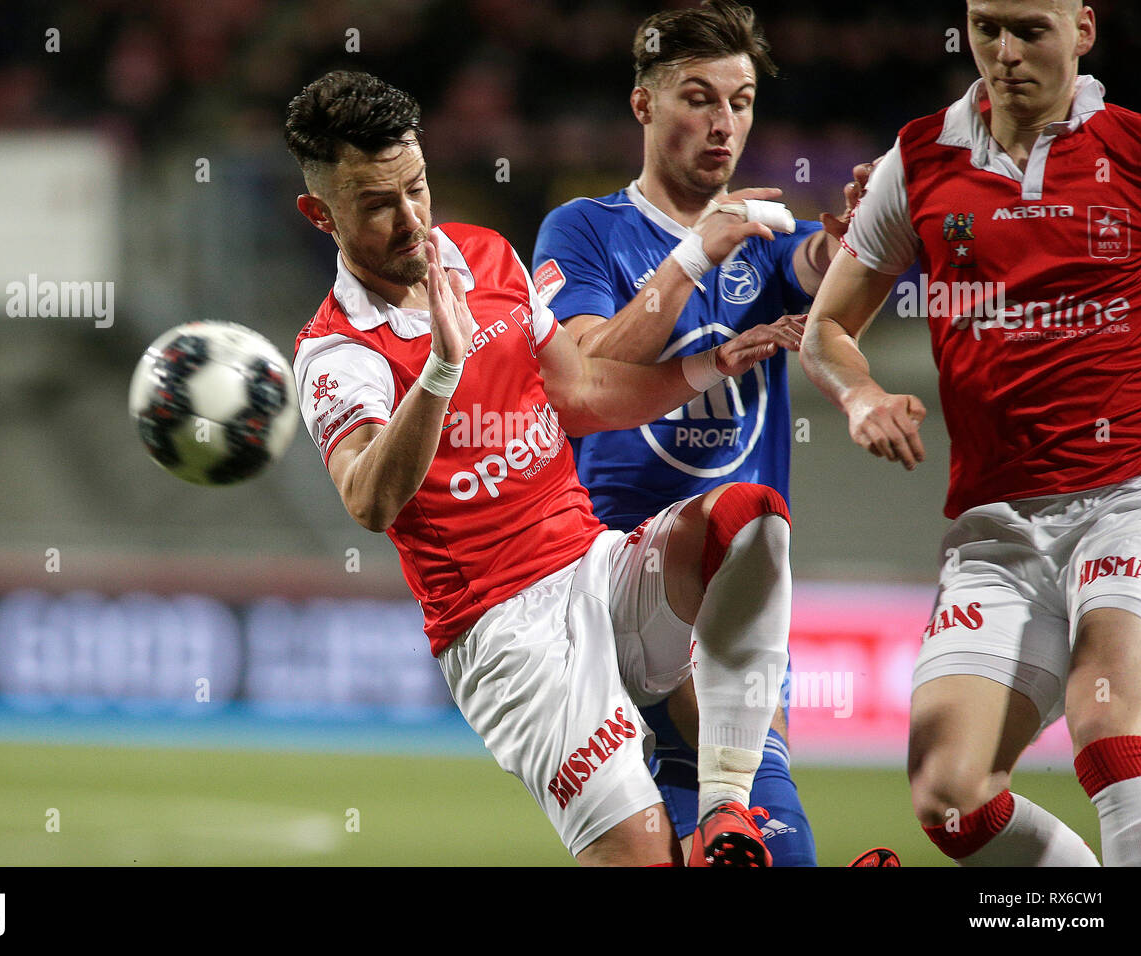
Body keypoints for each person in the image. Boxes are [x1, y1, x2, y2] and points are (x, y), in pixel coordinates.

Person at [287, 69, 803, 865]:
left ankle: (727, 809)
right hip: (503, 632)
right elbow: (370, 499)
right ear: (319, 214)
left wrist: (710, 366)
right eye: (377, 204)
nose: (411, 220)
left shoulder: (486, 258)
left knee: (748, 522)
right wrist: (440, 371)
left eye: (417, 187)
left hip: (593, 565)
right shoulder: (335, 350)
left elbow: (586, 391)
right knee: (641, 857)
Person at [801, 0, 1141, 865]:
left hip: (1131, 497)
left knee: (1108, 723)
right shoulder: (919, 160)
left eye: (1029, 29)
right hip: (999, 527)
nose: (1003, 52)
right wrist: (860, 399)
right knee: (950, 799)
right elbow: (825, 331)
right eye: (987, 27)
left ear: (1083, 29)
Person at [531, 0, 882, 865]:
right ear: (644, 105)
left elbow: (828, 273)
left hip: (732, 608)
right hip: (610, 594)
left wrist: (874, 231)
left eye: (742, 100)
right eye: (698, 97)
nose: (724, 123)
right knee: (749, 818)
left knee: (749, 841)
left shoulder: (765, 241)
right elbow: (589, 373)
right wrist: (694, 257)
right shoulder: (583, 231)